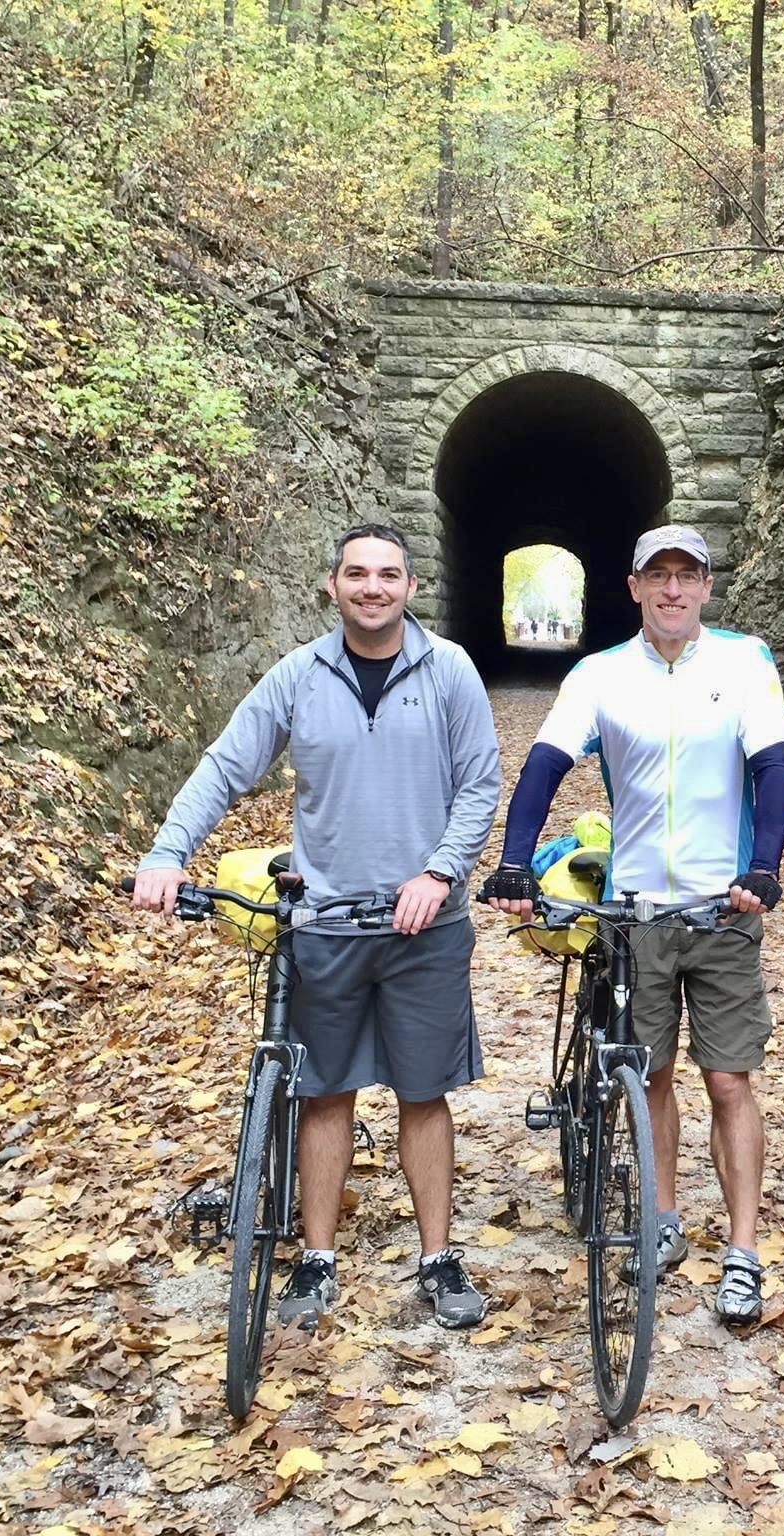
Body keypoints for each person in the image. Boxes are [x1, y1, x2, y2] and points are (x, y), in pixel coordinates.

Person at [132, 524, 502, 1329]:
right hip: (324, 923)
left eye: (389, 575)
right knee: (321, 1092)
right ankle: (317, 1258)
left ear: (411, 587)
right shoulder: (297, 676)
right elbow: (226, 766)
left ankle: (438, 1258)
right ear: (332, 586)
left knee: (422, 1091)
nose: (374, 588)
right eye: (357, 574)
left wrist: (439, 873)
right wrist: (167, 852)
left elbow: (480, 784)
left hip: (424, 926)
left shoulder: (449, 672)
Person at [484, 525, 784, 1324]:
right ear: (632, 588)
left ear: (706, 588)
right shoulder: (600, 675)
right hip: (635, 914)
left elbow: (772, 765)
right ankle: (660, 1222)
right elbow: (546, 764)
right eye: (658, 576)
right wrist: (516, 860)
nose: (673, 591)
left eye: (687, 576)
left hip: (722, 907)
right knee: (650, 1076)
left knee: (729, 1080)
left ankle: (744, 1251)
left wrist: (763, 866)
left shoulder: (743, 661)